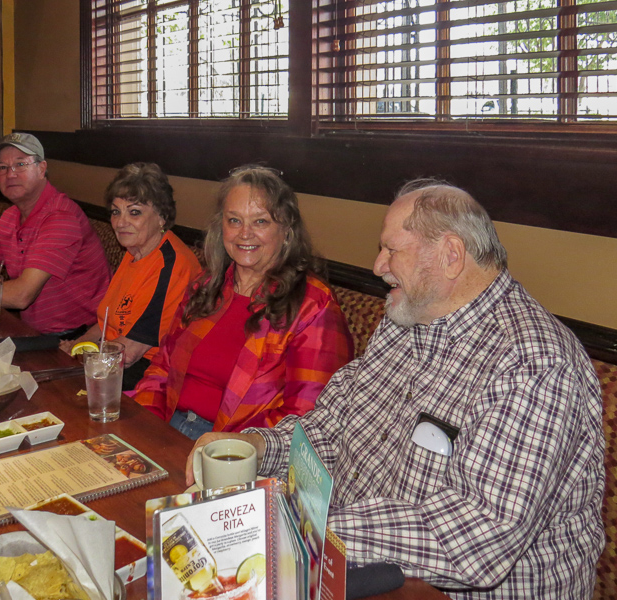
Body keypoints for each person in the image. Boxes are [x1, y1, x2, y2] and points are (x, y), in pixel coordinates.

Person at [186, 179, 606, 599]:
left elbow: (476, 537)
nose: (377, 265)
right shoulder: (405, 319)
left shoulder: (535, 363)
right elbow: (333, 426)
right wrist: (255, 448)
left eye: (392, 250)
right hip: (362, 568)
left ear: (451, 256)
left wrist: (294, 525)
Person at [133, 165, 353, 439]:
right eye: (234, 220)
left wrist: (230, 449)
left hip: (242, 453)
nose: (244, 233)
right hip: (169, 426)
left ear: (286, 230)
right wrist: (144, 427)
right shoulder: (206, 285)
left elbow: (310, 417)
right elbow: (162, 368)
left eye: (260, 221)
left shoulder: (314, 306)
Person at [0, 132, 111, 336]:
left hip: (76, 339)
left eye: (20, 164)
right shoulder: (11, 217)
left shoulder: (60, 218)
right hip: (33, 331)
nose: (11, 174)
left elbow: (22, 295)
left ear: (42, 169)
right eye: (3, 168)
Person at [60, 163, 202, 389]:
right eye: (116, 211)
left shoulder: (172, 266)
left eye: (134, 212)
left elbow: (130, 354)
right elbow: (107, 324)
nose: (120, 222)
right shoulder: (134, 252)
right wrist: (76, 345)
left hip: (153, 376)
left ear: (161, 217)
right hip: (113, 359)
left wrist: (80, 360)